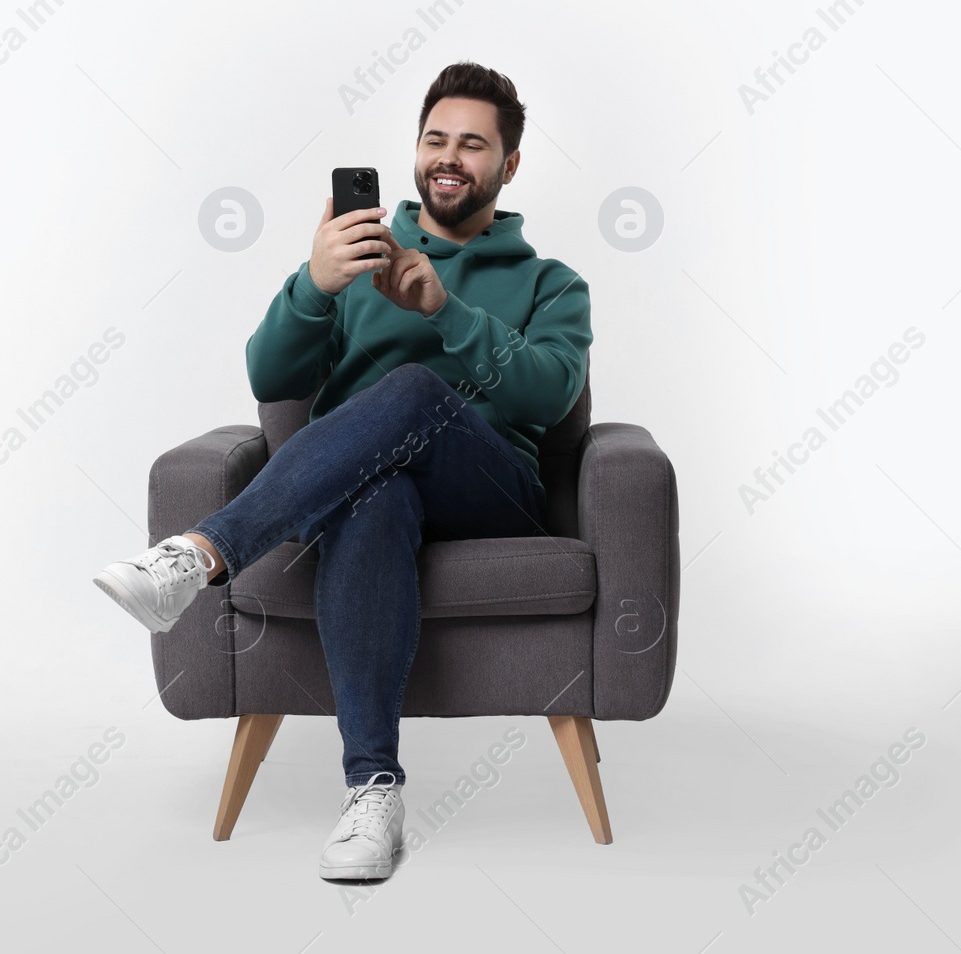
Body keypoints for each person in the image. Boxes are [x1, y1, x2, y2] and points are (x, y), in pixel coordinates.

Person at [93, 61, 592, 881]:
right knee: (375, 495)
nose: (449, 157)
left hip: (491, 490)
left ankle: (201, 554)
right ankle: (374, 792)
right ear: (416, 151)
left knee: (412, 388)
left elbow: (553, 389)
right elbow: (270, 377)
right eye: (436, 138)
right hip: (364, 489)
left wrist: (445, 312)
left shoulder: (549, 282)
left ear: (508, 165)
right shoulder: (356, 260)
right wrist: (314, 284)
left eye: (474, 145)